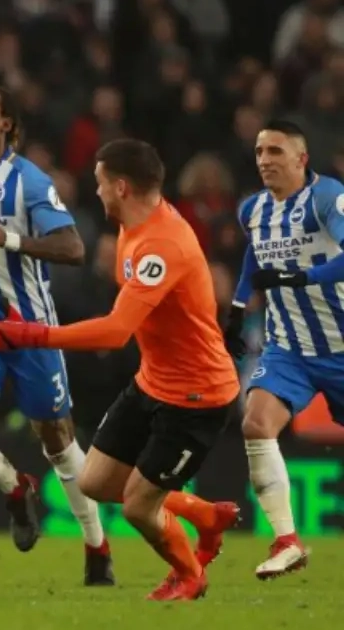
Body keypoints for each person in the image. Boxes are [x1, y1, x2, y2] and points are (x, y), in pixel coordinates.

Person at [0, 138, 242, 601]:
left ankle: (189, 575)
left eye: (101, 182)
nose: (97, 190)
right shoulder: (132, 229)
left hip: (196, 398)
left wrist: (34, 335)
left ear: (121, 187)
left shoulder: (161, 246)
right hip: (153, 383)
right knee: (95, 482)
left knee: (139, 509)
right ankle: (205, 516)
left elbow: (116, 332)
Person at [0, 84, 112, 585]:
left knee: (59, 443)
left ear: (5, 123)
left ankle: (97, 545)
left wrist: (6, 238)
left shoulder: (28, 181)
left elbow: (73, 248)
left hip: (31, 330)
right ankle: (16, 490)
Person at [223, 120, 344, 579]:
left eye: (275, 151)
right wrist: (237, 310)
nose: (265, 160)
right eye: (259, 152)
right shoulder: (252, 209)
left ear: (301, 159)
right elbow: (255, 255)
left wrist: (300, 278)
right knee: (256, 423)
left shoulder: (328, 197)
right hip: (288, 348)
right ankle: (287, 542)